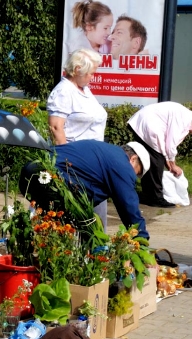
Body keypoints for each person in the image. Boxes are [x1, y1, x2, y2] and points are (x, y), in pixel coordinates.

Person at [19, 140, 151, 240]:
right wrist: (142, 239)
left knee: (47, 228)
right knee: (64, 231)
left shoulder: (105, 150)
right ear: (133, 159)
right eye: (135, 173)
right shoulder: (121, 164)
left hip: (31, 170)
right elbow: (128, 207)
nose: (132, 177)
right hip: (50, 178)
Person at [127, 101, 192, 207]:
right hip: (148, 125)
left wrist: (169, 161)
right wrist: (172, 164)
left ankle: (149, 195)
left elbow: (168, 145)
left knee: (149, 160)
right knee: (156, 161)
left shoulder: (186, 116)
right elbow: (170, 144)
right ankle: (155, 198)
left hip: (141, 122)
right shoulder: (184, 119)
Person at [47, 49, 107, 145]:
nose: (93, 77)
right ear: (77, 70)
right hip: (74, 156)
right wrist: (66, 158)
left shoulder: (84, 89)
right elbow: (55, 128)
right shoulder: (63, 91)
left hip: (90, 154)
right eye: (91, 73)